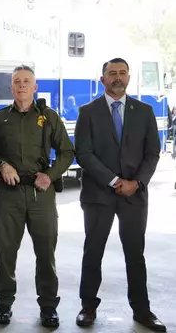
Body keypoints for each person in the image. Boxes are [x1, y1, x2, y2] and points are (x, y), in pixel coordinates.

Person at [74, 58, 165, 331]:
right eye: (112, 73)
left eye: (122, 73)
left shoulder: (145, 111)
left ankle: (142, 310)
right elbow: (84, 154)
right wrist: (114, 180)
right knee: (94, 251)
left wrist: (136, 182)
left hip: (134, 195)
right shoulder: (87, 112)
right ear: (102, 79)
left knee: (135, 253)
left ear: (129, 77)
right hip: (99, 194)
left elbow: (152, 153)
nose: (117, 78)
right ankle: (88, 306)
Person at [0, 65, 74, 327]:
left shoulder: (49, 117)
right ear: (11, 88)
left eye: (27, 82)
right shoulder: (0, 119)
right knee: (5, 251)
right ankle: (3, 303)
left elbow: (68, 152)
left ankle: (48, 306)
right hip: (9, 195)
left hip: (41, 193)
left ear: (35, 88)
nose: (21, 85)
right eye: (17, 82)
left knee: (46, 252)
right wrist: (2, 164)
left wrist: (51, 175)